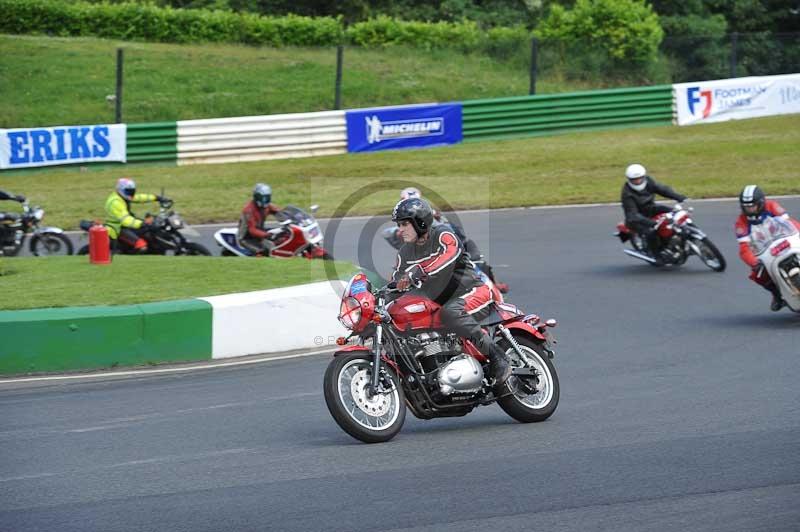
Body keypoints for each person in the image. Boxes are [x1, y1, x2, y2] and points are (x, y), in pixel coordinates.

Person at [391, 197, 512, 388]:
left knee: (451, 312)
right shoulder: (405, 252)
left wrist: (421, 270)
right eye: (399, 225)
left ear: (420, 221)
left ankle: (497, 356)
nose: (401, 229)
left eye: (405, 224)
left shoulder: (443, 234)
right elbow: (397, 280)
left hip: (473, 290)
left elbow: (448, 256)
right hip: (441, 301)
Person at [393, 187, 510, 293]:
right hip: (429, 254)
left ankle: (494, 284)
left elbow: (457, 232)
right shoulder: (402, 222)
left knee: (478, 262)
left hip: (455, 243)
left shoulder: (433, 215)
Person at [735, 185, 800, 311]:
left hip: (784, 238)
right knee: (757, 275)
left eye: (752, 206)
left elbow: (789, 222)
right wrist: (754, 262)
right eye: (746, 207)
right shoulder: (741, 222)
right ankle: (777, 295)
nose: (749, 209)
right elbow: (744, 248)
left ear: (760, 203)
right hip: (764, 250)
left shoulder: (771, 206)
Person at [621, 163, 688, 264]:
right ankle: (657, 256)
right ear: (629, 179)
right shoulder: (627, 194)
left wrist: (677, 196)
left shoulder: (648, 181)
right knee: (651, 232)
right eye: (634, 180)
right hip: (636, 219)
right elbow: (633, 214)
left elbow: (661, 189)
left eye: (640, 178)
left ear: (644, 176)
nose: (638, 181)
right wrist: (651, 223)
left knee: (674, 213)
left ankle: (683, 236)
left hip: (650, 208)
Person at [104, 178, 166, 253]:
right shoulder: (115, 202)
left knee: (148, 232)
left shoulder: (123, 196)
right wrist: (143, 223)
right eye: (128, 191)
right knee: (142, 245)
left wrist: (157, 198)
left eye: (132, 191)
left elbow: (139, 197)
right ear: (120, 189)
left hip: (125, 226)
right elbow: (126, 220)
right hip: (117, 228)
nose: (131, 194)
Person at [238, 183, 285, 256]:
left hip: (259, 233)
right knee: (263, 252)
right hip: (247, 238)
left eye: (267, 197)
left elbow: (279, 213)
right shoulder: (249, 210)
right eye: (262, 197)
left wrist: (289, 219)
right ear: (256, 197)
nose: (264, 200)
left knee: (282, 237)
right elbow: (252, 230)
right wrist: (268, 235)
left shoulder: (267, 206)